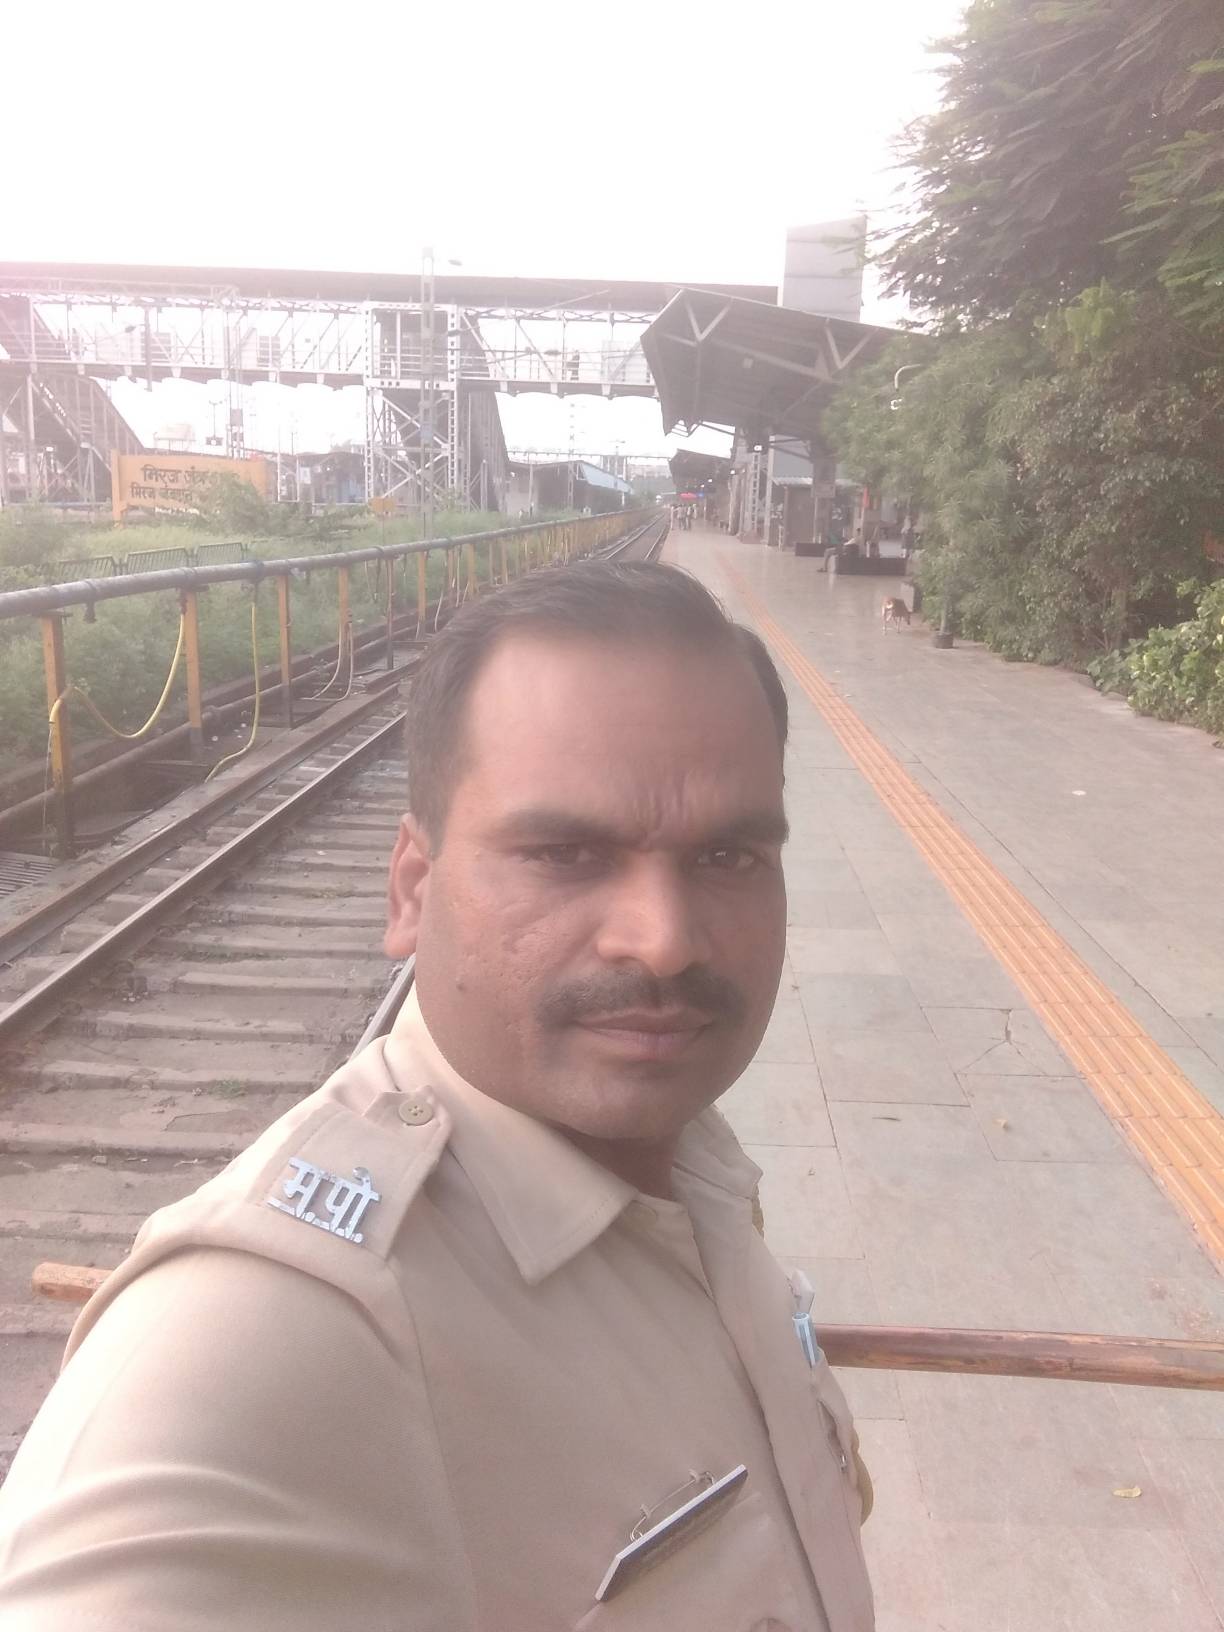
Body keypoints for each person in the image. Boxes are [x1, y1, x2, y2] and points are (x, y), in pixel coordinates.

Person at [0, 563, 874, 1632]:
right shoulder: (273, 1332)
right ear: (413, 889)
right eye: (565, 853)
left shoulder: (694, 1168)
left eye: (729, 856)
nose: (665, 940)